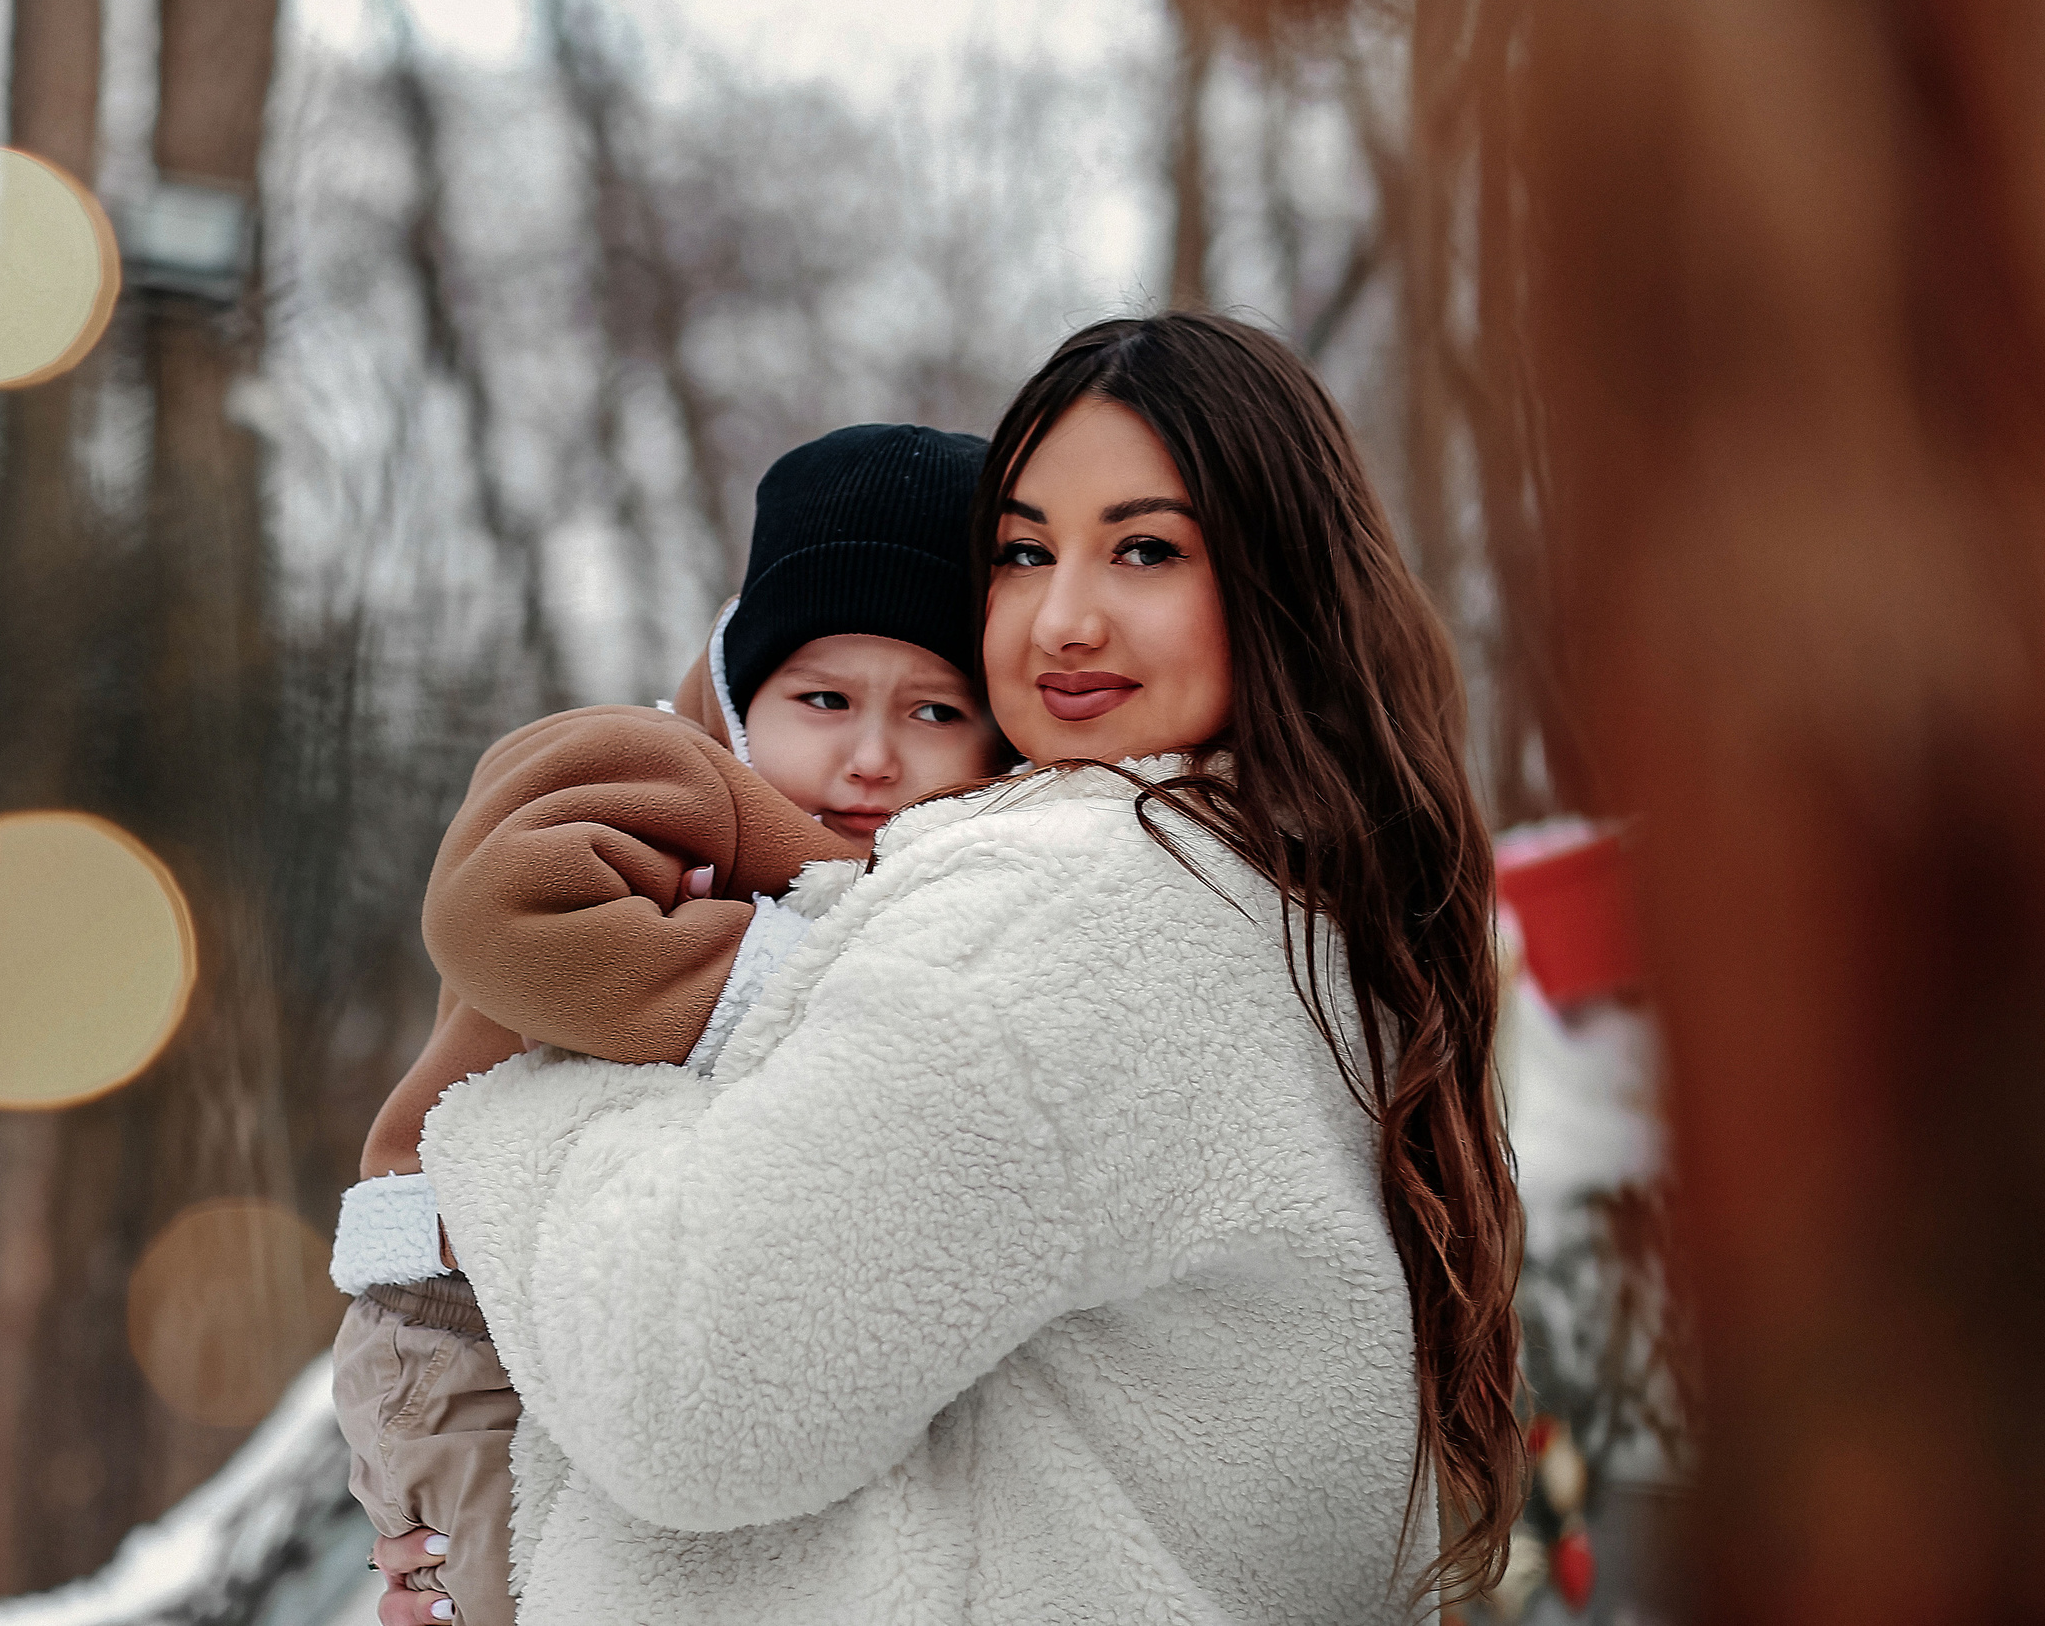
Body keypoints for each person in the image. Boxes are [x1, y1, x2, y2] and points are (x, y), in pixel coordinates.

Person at [392, 314, 1525, 1624]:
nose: (1064, 618)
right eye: (1024, 552)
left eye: (1145, 549)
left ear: (1280, 580)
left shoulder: (1063, 914)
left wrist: (521, 1090)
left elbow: (691, 1388)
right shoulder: (1285, 900)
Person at [328, 424, 1008, 1624]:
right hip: (456, 1320)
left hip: (627, 1327)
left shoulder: (955, 880)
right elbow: (495, 909)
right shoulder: (662, 774)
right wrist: (767, 976)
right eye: (823, 698)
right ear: (741, 693)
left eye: (936, 710)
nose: (871, 755)